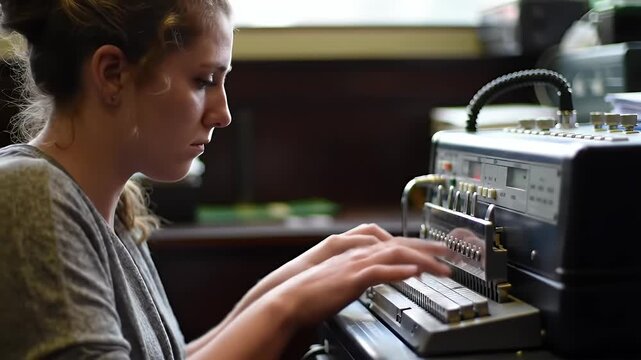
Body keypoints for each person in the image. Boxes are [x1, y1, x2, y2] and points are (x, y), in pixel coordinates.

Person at [0, 1, 451, 359]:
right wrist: (288, 307)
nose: (224, 113)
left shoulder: (111, 207)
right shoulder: (31, 196)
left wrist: (293, 278)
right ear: (112, 74)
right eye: (203, 80)